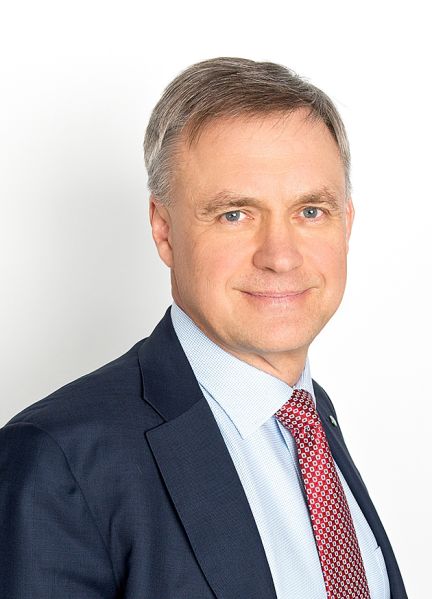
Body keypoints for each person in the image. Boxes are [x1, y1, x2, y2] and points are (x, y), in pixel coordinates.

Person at [0, 57, 407, 599]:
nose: (281, 256)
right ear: (164, 231)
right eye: (235, 214)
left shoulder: (311, 419)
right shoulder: (59, 460)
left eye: (311, 211)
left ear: (347, 224)